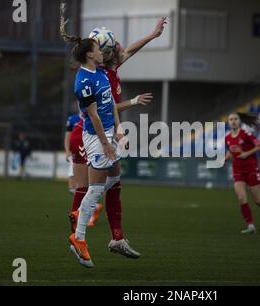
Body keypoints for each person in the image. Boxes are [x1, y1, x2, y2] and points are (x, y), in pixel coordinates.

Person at [65, 14, 166, 257]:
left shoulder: (108, 67)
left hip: (106, 130)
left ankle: (115, 237)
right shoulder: (95, 76)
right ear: (101, 53)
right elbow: (100, 111)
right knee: (88, 186)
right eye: (110, 47)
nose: (120, 49)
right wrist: (132, 102)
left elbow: (131, 49)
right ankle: (81, 229)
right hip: (90, 132)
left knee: (112, 184)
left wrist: (153, 35)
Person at [224, 112, 260, 234]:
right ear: (228, 122)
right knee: (241, 198)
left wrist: (246, 153)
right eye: (231, 119)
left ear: (239, 121)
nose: (233, 121)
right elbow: (230, 151)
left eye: (235, 119)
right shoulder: (227, 137)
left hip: (251, 168)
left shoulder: (246, 134)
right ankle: (251, 225)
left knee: (257, 199)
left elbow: (259, 145)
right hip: (238, 169)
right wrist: (224, 159)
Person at [64, 108, 81, 194]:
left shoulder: (92, 117)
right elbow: (67, 136)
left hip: (88, 151)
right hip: (75, 151)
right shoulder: (73, 119)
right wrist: (67, 151)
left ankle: (85, 201)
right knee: (72, 180)